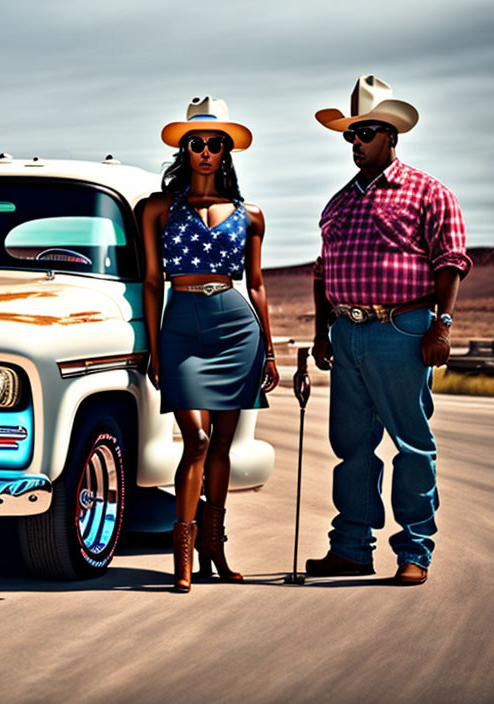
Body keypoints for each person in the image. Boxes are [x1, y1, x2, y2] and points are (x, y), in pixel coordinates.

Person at [307, 75, 471, 585]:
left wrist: (441, 327)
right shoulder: (337, 203)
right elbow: (321, 272)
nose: (357, 142)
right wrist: (321, 332)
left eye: (368, 132)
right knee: (351, 446)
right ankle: (352, 546)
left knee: (411, 443)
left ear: (392, 135)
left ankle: (415, 549)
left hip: (403, 330)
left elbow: (450, 261)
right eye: (351, 135)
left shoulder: (428, 192)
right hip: (347, 331)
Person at [141, 97, 278, 593]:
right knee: (195, 440)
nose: (205, 151)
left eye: (215, 144)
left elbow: (257, 284)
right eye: (196, 143)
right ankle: (182, 548)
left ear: (226, 153)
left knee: (222, 442)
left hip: (236, 325)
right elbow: (153, 282)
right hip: (180, 325)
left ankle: (214, 547)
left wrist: (270, 349)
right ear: (185, 149)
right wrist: (155, 351)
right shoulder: (157, 208)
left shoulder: (251, 214)